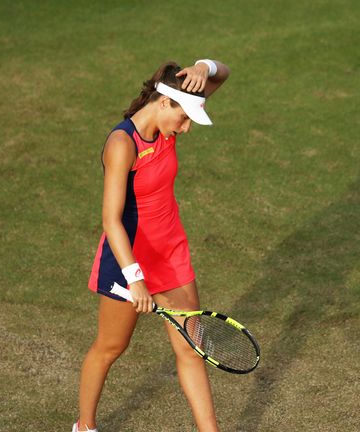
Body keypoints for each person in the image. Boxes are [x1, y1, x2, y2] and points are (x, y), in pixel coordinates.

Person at [74, 58, 230, 432]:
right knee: (111, 347)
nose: (187, 127)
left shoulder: (171, 117)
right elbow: (111, 219)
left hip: (171, 254)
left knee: (191, 349)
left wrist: (203, 67)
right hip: (128, 258)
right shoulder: (121, 143)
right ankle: (84, 427)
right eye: (185, 118)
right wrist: (135, 278)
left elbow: (223, 73)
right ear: (164, 103)